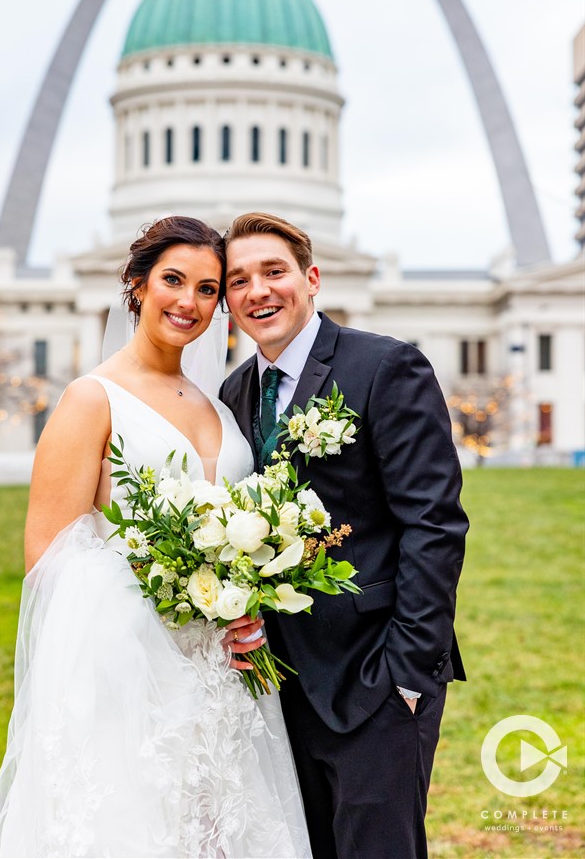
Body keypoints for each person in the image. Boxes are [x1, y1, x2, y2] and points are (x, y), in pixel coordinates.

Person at [0, 217, 311, 859]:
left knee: (227, 828)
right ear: (135, 284)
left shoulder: (221, 405)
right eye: (173, 281)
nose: (189, 302)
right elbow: (48, 562)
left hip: (229, 672)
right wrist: (168, 592)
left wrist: (244, 597)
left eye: (209, 289)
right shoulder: (90, 399)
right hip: (131, 668)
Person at [220, 212, 469, 859]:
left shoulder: (385, 367)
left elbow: (433, 524)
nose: (258, 291)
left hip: (375, 677)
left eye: (273, 272)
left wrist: (405, 676)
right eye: (238, 280)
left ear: (311, 277)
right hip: (280, 685)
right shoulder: (234, 393)